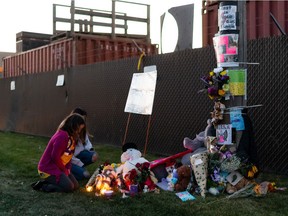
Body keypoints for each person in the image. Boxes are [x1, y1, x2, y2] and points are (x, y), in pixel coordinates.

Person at [31, 113, 86, 192]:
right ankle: (43, 185)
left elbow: (68, 156)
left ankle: (54, 181)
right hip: (47, 168)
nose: (79, 132)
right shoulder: (62, 136)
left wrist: (68, 168)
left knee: (75, 186)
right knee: (69, 187)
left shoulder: (72, 138)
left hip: (59, 167)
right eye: (78, 129)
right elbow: (55, 157)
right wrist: (64, 170)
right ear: (73, 126)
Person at [70, 107, 98, 180]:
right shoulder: (68, 135)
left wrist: (92, 151)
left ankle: (77, 170)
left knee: (94, 155)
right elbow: (67, 156)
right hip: (68, 161)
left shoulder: (82, 130)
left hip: (77, 156)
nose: (83, 122)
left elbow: (87, 143)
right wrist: (79, 164)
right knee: (85, 175)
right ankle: (69, 173)